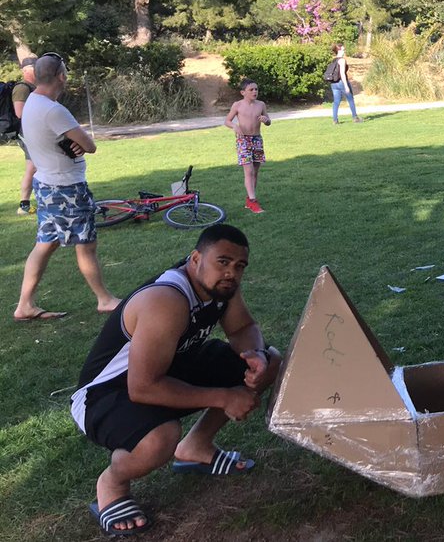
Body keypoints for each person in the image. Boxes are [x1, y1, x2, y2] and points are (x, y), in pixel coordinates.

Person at [70, 225, 281, 536]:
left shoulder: (221, 287)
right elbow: (142, 387)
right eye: (222, 262)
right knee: (160, 439)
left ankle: (196, 446)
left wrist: (255, 355)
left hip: (169, 367)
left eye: (239, 266)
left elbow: (241, 328)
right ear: (195, 259)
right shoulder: (166, 300)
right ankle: (112, 483)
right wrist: (224, 397)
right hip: (104, 394)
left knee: (272, 361)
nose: (231, 273)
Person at [14, 53, 122, 322]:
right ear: (61, 76)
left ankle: (24, 305)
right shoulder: (54, 110)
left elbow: (69, 142)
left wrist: (72, 143)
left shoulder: (32, 103)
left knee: (45, 244)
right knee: (86, 245)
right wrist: (78, 143)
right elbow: (90, 145)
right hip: (67, 189)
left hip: (47, 186)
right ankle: (105, 300)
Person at [223, 79, 271, 214]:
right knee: (248, 171)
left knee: (255, 172)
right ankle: (253, 201)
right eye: (251, 90)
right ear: (243, 92)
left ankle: (249, 200)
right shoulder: (237, 105)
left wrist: (266, 120)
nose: (255, 91)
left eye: (256, 89)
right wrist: (234, 126)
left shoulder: (261, 105)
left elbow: (268, 121)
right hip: (243, 140)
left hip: (257, 139)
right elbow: (227, 121)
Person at [11, 56, 37, 214]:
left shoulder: (34, 87)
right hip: (26, 132)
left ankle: (27, 203)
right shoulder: (22, 88)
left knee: (34, 166)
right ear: (26, 70)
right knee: (33, 166)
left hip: (34, 132)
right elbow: (20, 113)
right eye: (35, 67)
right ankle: (24, 205)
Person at [328, 43, 360, 124]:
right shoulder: (342, 60)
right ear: (339, 50)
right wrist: (346, 86)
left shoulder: (334, 60)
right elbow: (342, 73)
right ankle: (355, 118)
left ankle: (335, 120)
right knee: (350, 99)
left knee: (336, 101)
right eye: (343, 49)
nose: (344, 51)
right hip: (342, 82)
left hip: (334, 83)